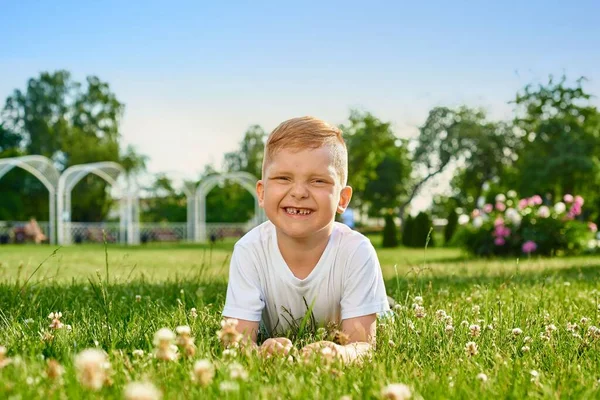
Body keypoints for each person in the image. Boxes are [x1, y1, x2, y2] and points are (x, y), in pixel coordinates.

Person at [222, 116, 389, 363]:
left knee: (376, 314)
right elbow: (235, 343)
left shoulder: (356, 251)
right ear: (262, 192)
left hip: (353, 299)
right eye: (283, 178)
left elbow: (362, 345)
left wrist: (342, 354)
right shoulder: (249, 250)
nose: (299, 192)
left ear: (342, 199)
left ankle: (379, 305)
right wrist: (261, 353)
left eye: (318, 180)